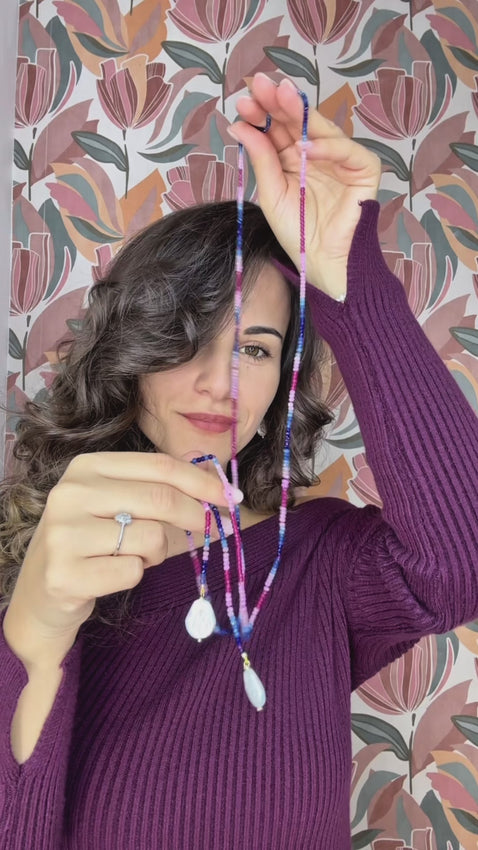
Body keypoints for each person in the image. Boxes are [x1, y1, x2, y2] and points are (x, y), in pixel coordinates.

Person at [1, 72, 477, 849]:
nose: (220, 382)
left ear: (282, 382)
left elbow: (462, 560)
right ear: (128, 354)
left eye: (255, 349)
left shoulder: (320, 560)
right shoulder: (34, 565)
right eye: (186, 337)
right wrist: (35, 638)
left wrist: (347, 277)